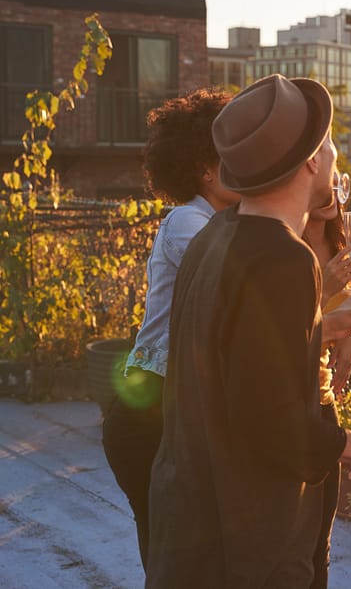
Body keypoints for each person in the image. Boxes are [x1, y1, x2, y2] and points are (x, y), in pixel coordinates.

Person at [145, 74, 351, 588]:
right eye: (330, 144)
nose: (335, 156)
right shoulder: (284, 259)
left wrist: (323, 328)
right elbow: (274, 421)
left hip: (193, 519)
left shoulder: (217, 236)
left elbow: (239, 365)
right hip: (250, 539)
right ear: (311, 161)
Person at [101, 87, 237, 568]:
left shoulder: (223, 220)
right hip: (148, 411)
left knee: (187, 558)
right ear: (205, 167)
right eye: (234, 159)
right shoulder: (188, 221)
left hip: (177, 408)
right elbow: (240, 283)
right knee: (170, 558)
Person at [302, 175, 351, 589]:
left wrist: (349, 336)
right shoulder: (287, 249)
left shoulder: (342, 244)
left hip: (323, 398)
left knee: (320, 541)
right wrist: (324, 294)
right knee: (294, 543)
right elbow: (285, 328)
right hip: (292, 402)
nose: (330, 190)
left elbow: (335, 318)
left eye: (335, 182)